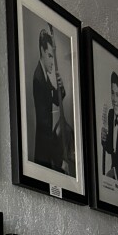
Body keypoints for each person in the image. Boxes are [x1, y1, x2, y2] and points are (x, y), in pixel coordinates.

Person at [32, 29, 69, 172]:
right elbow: (44, 126)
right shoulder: (39, 78)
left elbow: (57, 100)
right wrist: (60, 161)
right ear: (42, 51)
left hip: (46, 149)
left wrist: (61, 88)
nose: (52, 62)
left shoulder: (44, 76)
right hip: (44, 151)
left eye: (53, 57)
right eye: (49, 56)